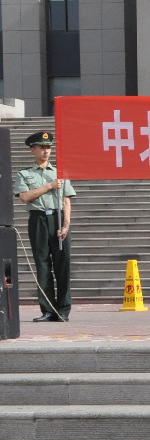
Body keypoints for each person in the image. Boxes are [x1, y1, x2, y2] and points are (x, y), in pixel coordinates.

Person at [12, 131, 75, 322]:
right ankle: (47, 308)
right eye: (42, 147)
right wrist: (48, 186)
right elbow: (24, 197)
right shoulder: (25, 174)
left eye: (48, 147)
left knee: (62, 264)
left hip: (57, 218)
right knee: (42, 265)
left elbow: (66, 200)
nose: (46, 151)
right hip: (38, 219)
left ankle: (63, 309)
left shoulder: (60, 172)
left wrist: (66, 225)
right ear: (33, 150)